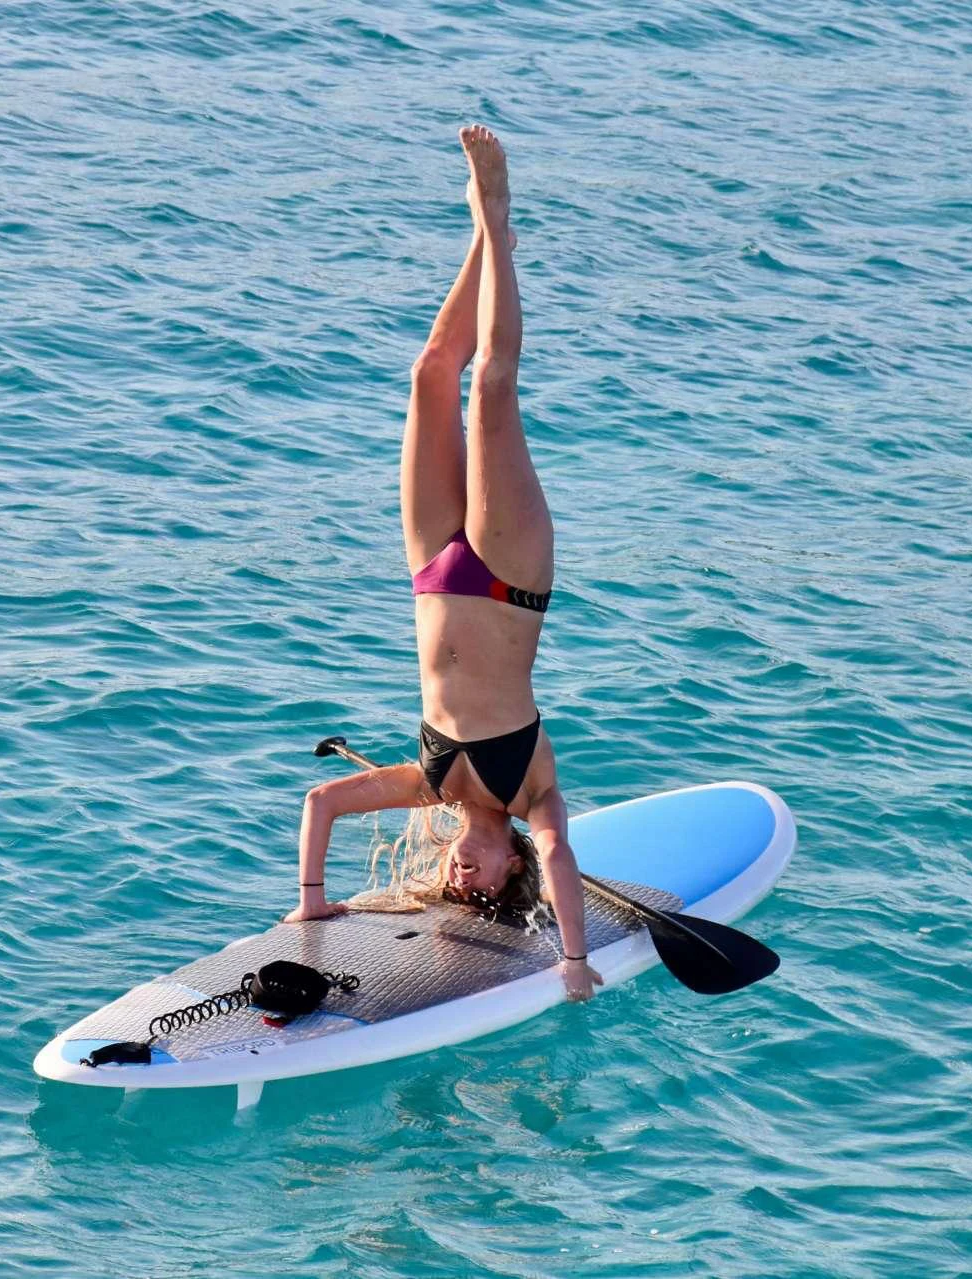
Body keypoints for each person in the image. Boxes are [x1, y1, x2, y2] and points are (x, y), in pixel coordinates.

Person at [283, 126, 603, 1003]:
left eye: (456, 884)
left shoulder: (427, 784)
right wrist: (572, 960)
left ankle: (478, 227)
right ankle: (498, 219)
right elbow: (565, 861)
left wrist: (312, 905)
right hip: (507, 576)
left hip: (431, 568)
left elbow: (321, 805)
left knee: (431, 372)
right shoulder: (535, 794)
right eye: (482, 885)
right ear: (511, 870)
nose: (464, 876)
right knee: (491, 384)